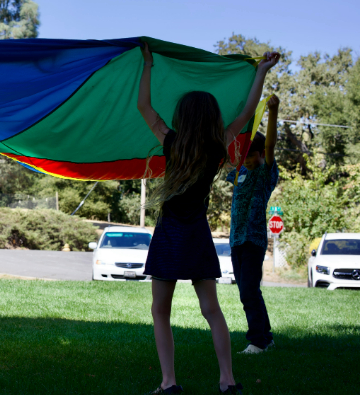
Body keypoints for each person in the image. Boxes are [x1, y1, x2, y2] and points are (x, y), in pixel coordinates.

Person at [137, 42, 279, 394]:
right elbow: (247, 111)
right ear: (212, 118)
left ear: (182, 118)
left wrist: (148, 65)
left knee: (160, 311)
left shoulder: (170, 142)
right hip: (197, 231)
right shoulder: (219, 146)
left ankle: (169, 382)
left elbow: (144, 106)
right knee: (211, 310)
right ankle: (227, 380)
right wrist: (261, 70)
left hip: (170, 231)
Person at [225, 95, 280, 354]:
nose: (247, 160)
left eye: (251, 156)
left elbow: (270, 146)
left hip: (254, 240)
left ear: (259, 155)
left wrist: (273, 112)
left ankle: (257, 341)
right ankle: (266, 338)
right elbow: (225, 152)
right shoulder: (239, 173)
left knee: (248, 290)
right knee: (248, 291)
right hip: (235, 241)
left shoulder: (264, 171)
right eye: (243, 156)